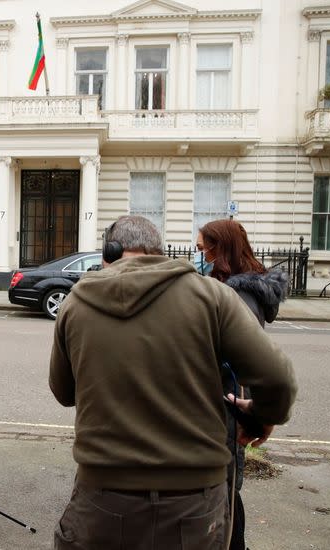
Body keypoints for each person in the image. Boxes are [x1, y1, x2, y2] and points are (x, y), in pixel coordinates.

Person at [49, 215, 296, 550]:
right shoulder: (212, 297)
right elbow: (278, 379)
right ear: (159, 252)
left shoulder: (75, 304)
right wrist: (262, 415)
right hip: (193, 503)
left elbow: (64, 393)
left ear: (110, 251)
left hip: (104, 497)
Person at [197, 218, 289, 550]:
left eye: (202, 247)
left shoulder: (238, 298)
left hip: (226, 405)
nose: (200, 254)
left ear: (219, 248)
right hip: (227, 403)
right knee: (223, 490)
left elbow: (249, 363)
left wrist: (259, 416)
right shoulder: (230, 288)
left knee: (224, 494)